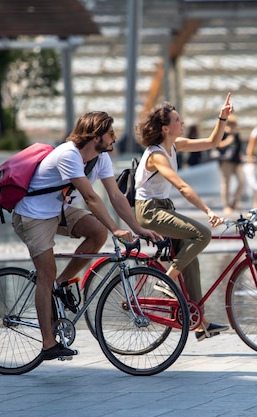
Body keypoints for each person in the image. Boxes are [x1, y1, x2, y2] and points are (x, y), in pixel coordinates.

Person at [12, 111, 163, 361]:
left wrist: (137, 228)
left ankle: (61, 283)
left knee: (97, 232)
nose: (115, 138)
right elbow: (92, 198)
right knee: (45, 274)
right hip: (33, 214)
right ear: (95, 136)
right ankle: (48, 344)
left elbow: (115, 196)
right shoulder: (69, 154)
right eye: (110, 133)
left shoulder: (101, 157)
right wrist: (117, 229)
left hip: (58, 210)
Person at [133, 93, 234, 341]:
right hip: (149, 211)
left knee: (191, 260)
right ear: (166, 128)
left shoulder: (175, 146)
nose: (182, 122)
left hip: (163, 208)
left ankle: (200, 323)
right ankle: (167, 281)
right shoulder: (157, 154)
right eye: (177, 119)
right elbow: (182, 186)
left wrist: (222, 117)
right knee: (203, 233)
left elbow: (212, 142)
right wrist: (207, 211)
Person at [212, 114, 245, 215]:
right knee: (226, 183)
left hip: (236, 161)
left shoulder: (236, 134)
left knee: (242, 181)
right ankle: (226, 205)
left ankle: (235, 201)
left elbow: (239, 147)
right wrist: (227, 141)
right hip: (226, 161)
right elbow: (217, 145)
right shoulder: (224, 133)